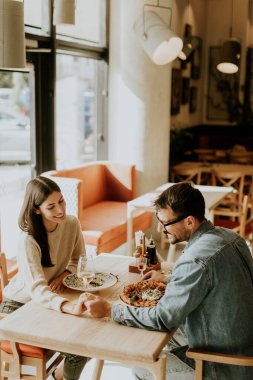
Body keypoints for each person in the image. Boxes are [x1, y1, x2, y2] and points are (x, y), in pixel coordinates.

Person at [81, 182, 253, 380]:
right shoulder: (231, 237)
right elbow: (212, 278)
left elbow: (163, 318)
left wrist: (110, 310)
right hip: (242, 347)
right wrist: (169, 278)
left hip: (224, 367)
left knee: (142, 368)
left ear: (189, 221)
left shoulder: (194, 259)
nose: (159, 228)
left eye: (165, 223)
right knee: (158, 337)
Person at [0, 176, 88, 380]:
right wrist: (68, 306)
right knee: (77, 350)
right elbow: (37, 289)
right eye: (51, 206)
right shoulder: (29, 239)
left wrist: (65, 274)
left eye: (62, 201)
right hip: (17, 307)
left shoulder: (72, 223)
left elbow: (79, 260)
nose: (60, 210)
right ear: (37, 210)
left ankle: (59, 374)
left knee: (91, 338)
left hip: (48, 299)